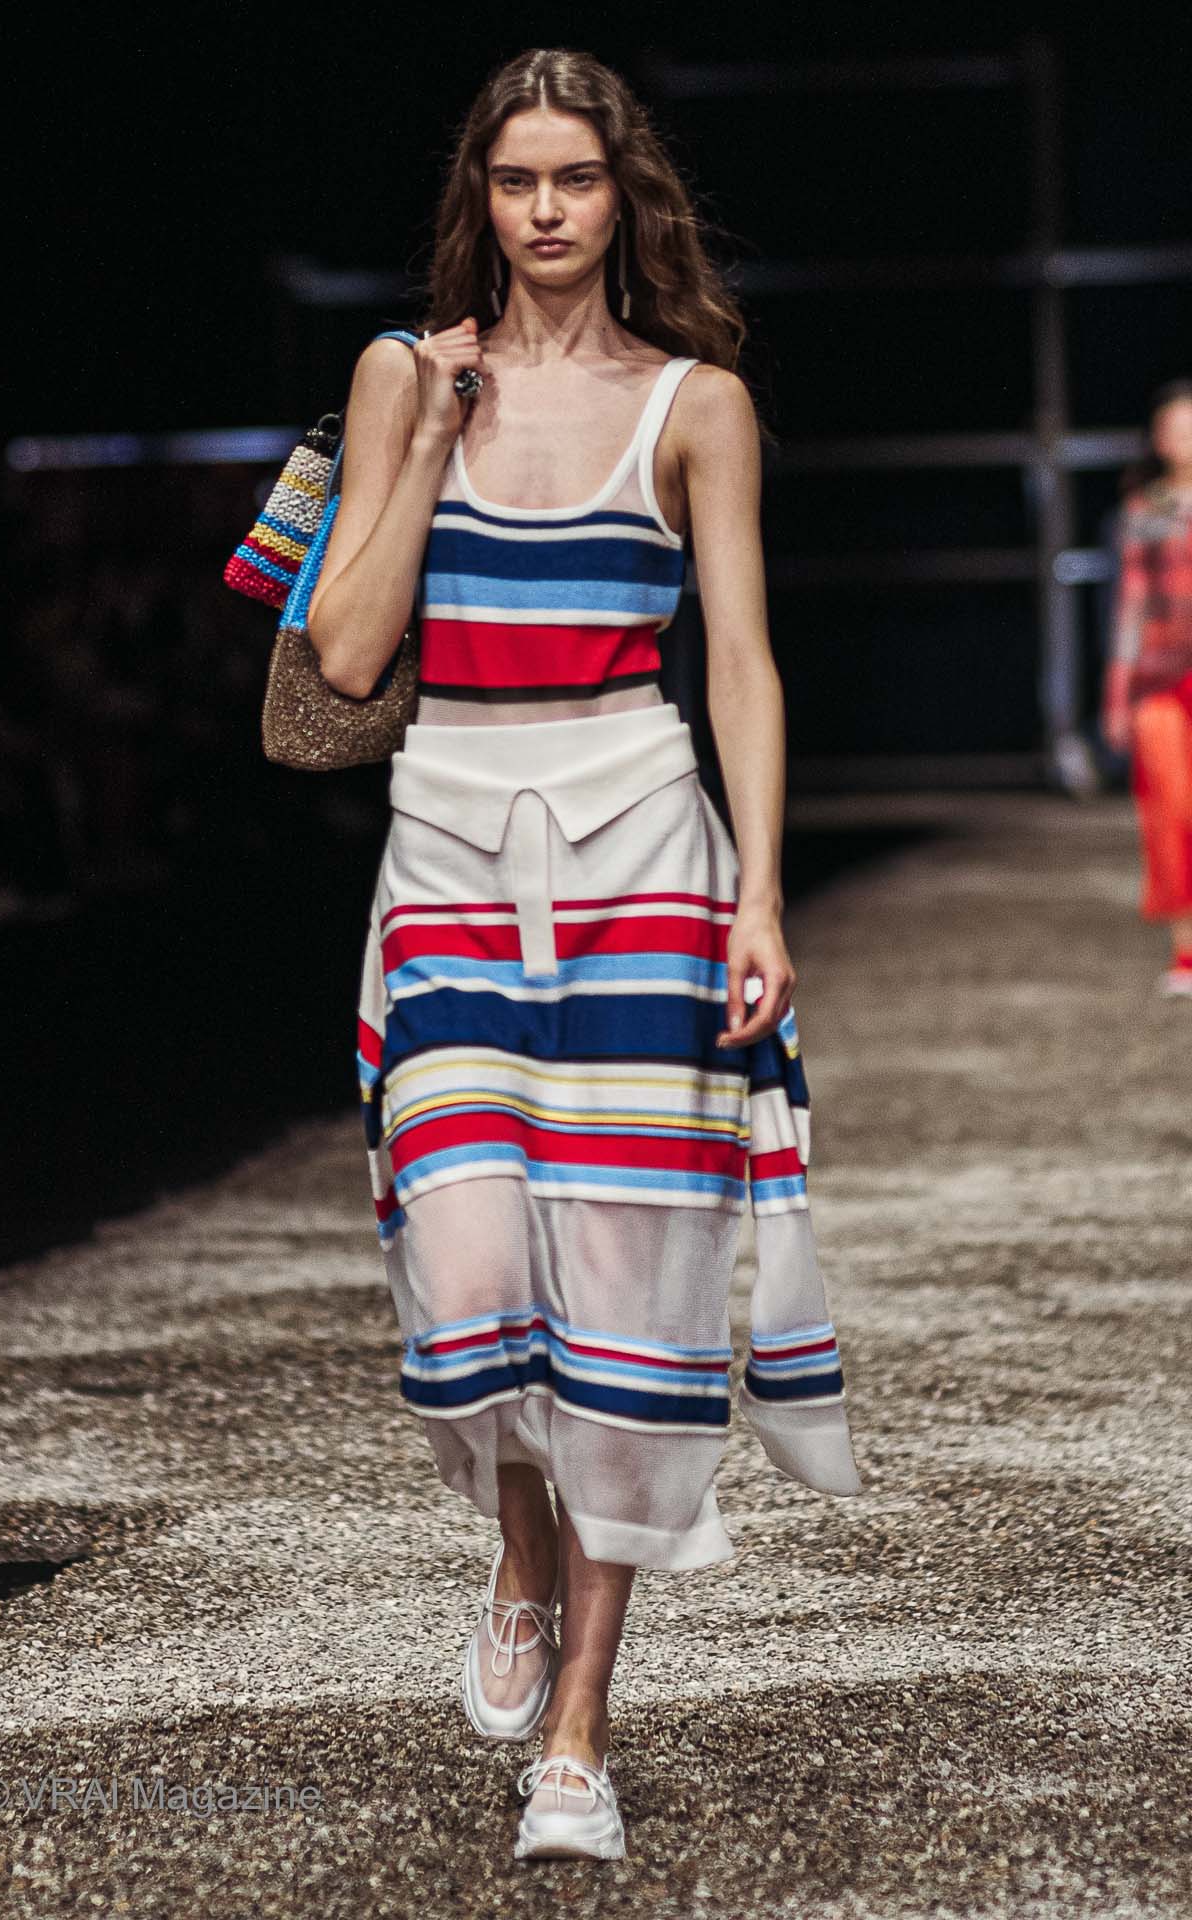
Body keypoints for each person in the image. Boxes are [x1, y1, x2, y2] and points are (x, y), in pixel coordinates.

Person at [308, 46, 864, 1861]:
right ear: (478, 199)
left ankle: (580, 1733)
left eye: (578, 178)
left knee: (625, 1299)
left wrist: (759, 896)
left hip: (640, 845)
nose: (547, 210)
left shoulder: (696, 404)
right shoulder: (404, 375)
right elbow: (346, 653)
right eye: (515, 180)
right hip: (455, 846)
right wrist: (433, 430)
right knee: (465, 1270)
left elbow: (743, 663)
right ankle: (523, 1553)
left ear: (627, 197)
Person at [1101, 378, 1192, 998]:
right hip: (1160, 679)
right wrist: (1117, 694)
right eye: (1176, 427)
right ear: (1158, 439)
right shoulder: (1144, 513)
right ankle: (1187, 951)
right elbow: (1130, 608)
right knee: (1172, 813)